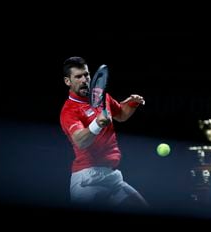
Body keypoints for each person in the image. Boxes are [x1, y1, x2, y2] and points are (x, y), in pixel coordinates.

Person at [60, 56, 148, 208]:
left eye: (86, 75)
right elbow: (80, 141)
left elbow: (121, 115)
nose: (84, 80)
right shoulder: (69, 111)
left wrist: (132, 103)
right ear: (68, 81)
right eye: (78, 77)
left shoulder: (102, 96)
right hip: (87, 178)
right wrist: (97, 123)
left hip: (112, 176)